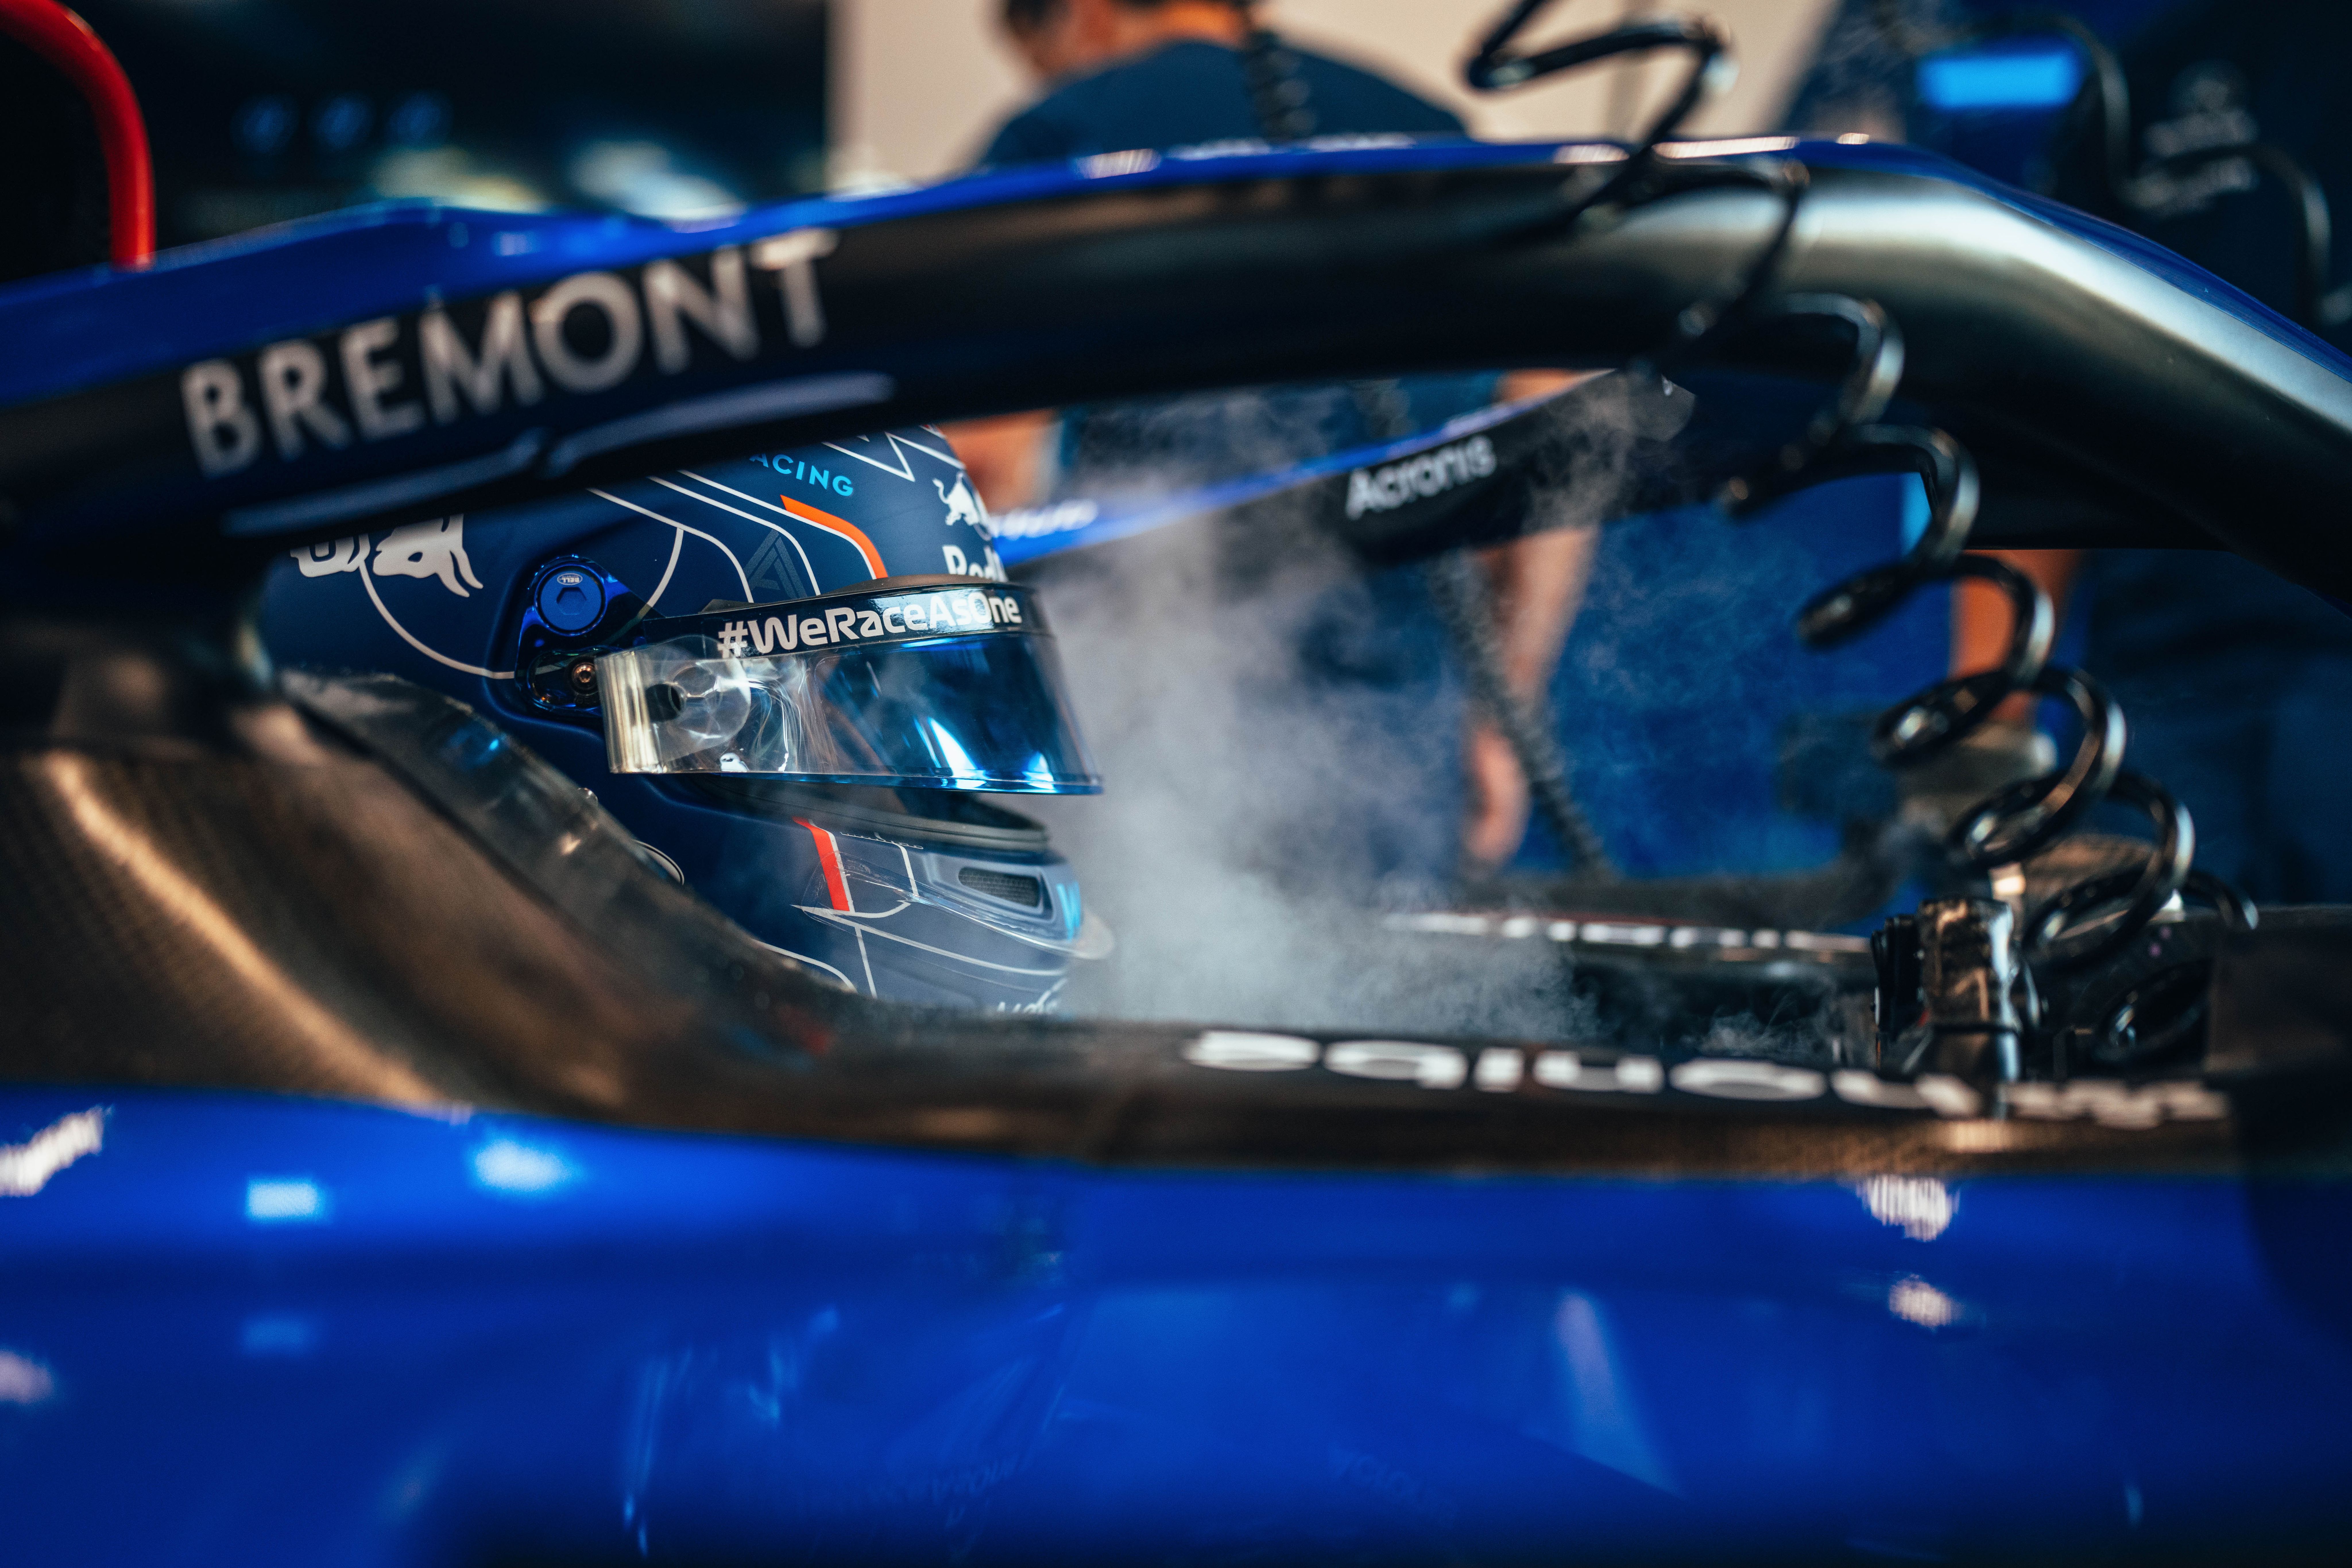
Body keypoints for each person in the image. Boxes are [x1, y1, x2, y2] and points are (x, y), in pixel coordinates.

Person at [958, 0, 1594, 877]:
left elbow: (978, 462)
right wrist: (1502, 713)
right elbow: (1551, 456)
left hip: (1156, 724)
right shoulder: (1432, 131)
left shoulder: (1066, 129)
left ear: (1085, 18)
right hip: (1399, 735)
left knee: (1166, 994)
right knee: (1386, 1005)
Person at [1943, 0, 2352, 904]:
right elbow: (2031, 413)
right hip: (2164, 699)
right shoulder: (2146, 85)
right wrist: (1985, 732)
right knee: (2141, 1019)